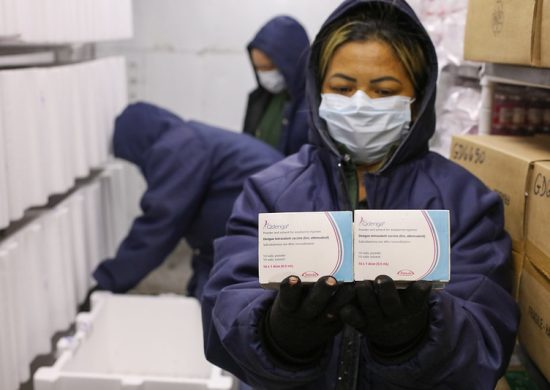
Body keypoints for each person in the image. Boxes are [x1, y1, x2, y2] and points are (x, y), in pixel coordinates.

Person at [201, 1, 519, 388]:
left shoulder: (464, 201)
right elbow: (225, 308)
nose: (360, 104)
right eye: (342, 88)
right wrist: (278, 336)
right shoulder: (270, 192)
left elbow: (488, 338)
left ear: (417, 100)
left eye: (383, 91)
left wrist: (415, 337)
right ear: (318, 92)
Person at [91, 102, 283, 302]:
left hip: (261, 238)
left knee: (229, 310)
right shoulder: (187, 138)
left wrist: (108, 281)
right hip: (252, 235)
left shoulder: (177, 148)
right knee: (207, 302)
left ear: (136, 144)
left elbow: (160, 223)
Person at [243, 15, 310, 156]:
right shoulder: (259, 99)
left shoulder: (310, 111)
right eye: (258, 68)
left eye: (269, 68)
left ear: (291, 63)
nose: (264, 75)